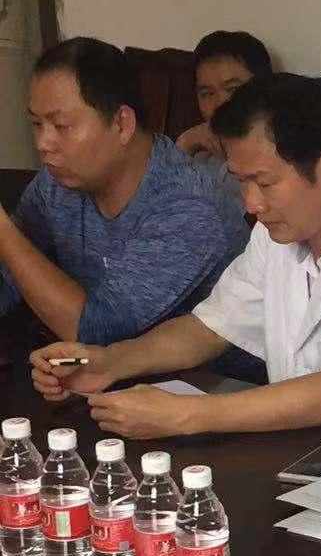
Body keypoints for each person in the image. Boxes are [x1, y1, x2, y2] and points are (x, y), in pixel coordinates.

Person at [28, 73, 321, 440]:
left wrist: (186, 414)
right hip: (315, 458)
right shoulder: (277, 233)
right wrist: (110, 362)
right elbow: (210, 327)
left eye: (264, 182)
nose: (250, 203)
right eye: (241, 181)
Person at [0, 37, 247, 345]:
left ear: (122, 124)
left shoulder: (188, 205)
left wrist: (3, 229)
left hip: (197, 373)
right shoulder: (58, 182)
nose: (42, 144)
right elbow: (10, 276)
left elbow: (96, 328)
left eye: (61, 126)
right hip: (95, 364)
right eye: (37, 124)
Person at [175, 30, 274, 207]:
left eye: (233, 89)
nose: (220, 104)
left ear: (264, 88)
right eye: (207, 93)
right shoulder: (197, 157)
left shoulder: (280, 160)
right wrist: (185, 143)